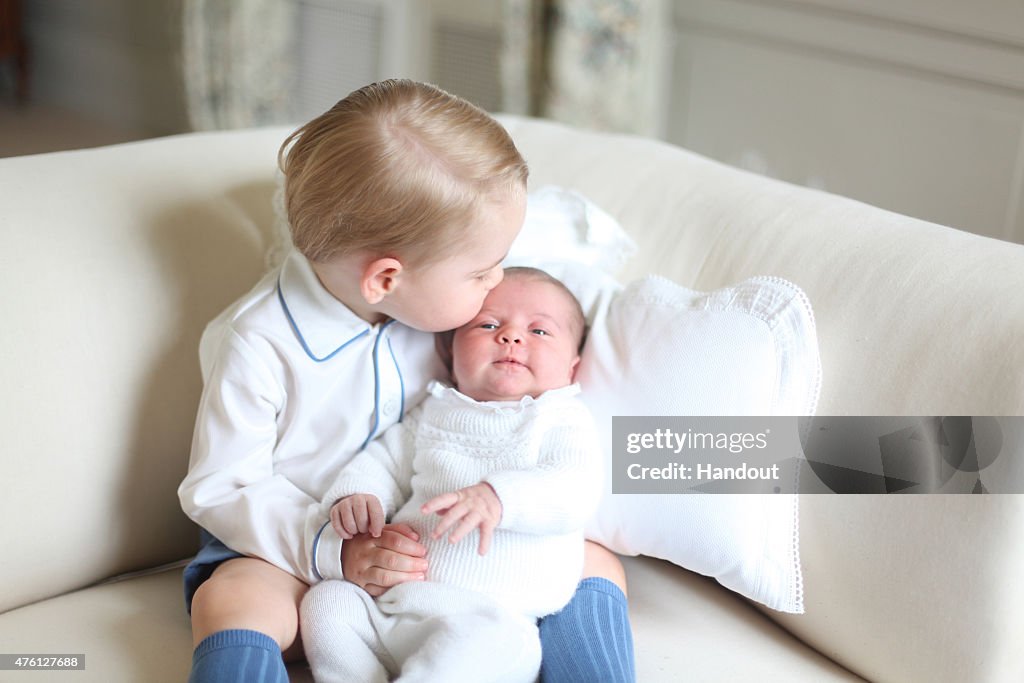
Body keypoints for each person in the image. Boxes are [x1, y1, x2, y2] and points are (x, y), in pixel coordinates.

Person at [178, 79, 635, 683]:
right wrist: (335, 549)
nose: (496, 281)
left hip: (448, 549)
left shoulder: (440, 302)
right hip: (297, 550)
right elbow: (219, 488)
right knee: (232, 596)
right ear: (386, 279)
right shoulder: (258, 343)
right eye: (481, 271)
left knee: (595, 560)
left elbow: (525, 263)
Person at [301, 267, 601, 682]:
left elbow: (576, 488)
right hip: (395, 605)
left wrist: (499, 498)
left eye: (540, 331)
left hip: (493, 617)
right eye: (489, 324)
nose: (511, 337)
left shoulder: (561, 418)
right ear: (450, 351)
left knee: (492, 645)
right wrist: (357, 495)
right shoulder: (436, 410)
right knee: (328, 602)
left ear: (572, 367)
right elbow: (385, 460)